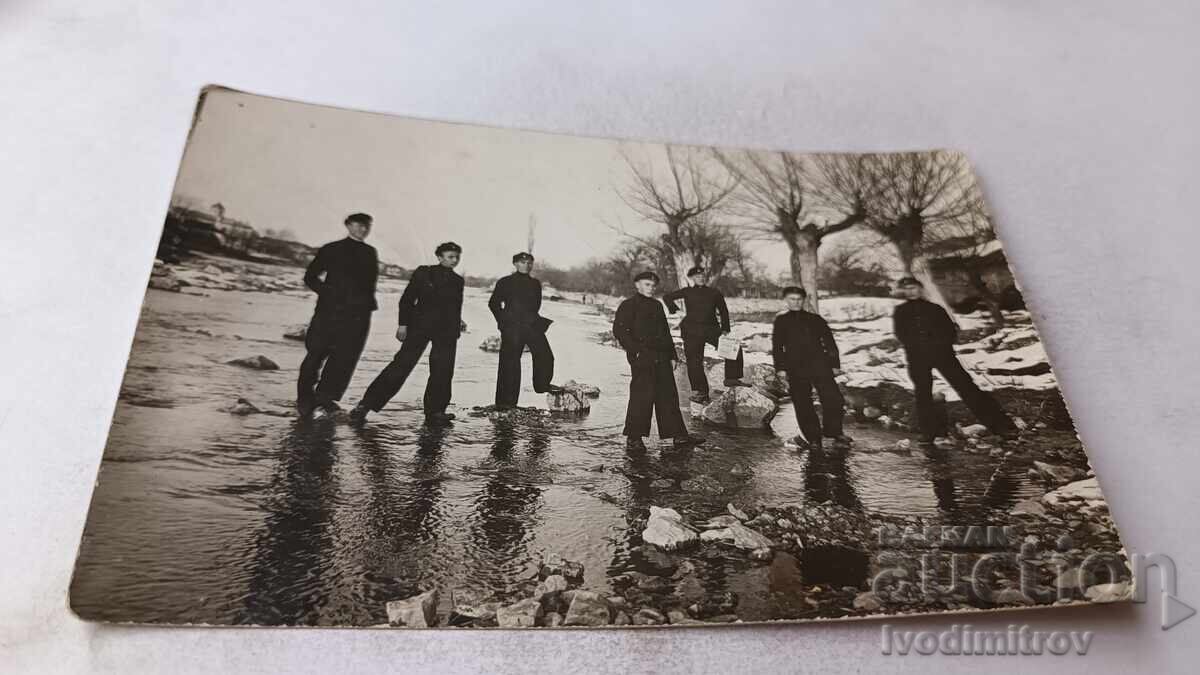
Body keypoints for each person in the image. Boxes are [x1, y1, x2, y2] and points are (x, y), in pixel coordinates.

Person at [351, 242, 467, 426]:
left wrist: (458, 323)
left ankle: (436, 411)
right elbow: (407, 299)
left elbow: (454, 307)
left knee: (443, 370)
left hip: (446, 331)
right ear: (439, 257)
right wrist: (402, 325)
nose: (455, 260)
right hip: (419, 327)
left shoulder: (458, 280)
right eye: (450, 256)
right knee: (401, 365)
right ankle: (364, 406)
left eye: (457, 257)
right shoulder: (424, 272)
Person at [892, 277, 1017, 444]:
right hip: (917, 358)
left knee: (967, 388)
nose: (910, 292)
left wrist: (937, 346)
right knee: (923, 395)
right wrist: (918, 347)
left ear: (920, 289)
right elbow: (901, 334)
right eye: (906, 289)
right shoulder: (901, 312)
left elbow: (950, 332)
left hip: (943, 355)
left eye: (913, 288)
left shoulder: (935, 309)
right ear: (903, 292)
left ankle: (1002, 427)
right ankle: (929, 434)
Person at [612, 271, 706, 451]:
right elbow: (620, 331)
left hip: (661, 356)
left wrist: (672, 355)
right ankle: (634, 438)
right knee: (642, 397)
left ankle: (678, 435)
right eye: (647, 284)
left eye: (653, 285)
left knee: (668, 395)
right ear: (637, 285)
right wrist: (636, 351)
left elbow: (665, 332)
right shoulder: (628, 305)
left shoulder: (657, 305)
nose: (651, 288)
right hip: (642, 357)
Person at [296, 212, 378, 417]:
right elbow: (310, 277)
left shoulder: (370, 252)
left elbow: (370, 284)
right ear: (348, 225)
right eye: (358, 225)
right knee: (316, 352)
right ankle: (305, 398)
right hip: (329, 310)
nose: (363, 229)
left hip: (358, 313)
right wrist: (328, 293)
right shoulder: (331, 249)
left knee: (345, 356)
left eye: (366, 226)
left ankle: (325, 398)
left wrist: (365, 305)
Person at [772, 286, 852, 450]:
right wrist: (780, 368)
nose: (796, 302)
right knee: (803, 403)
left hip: (819, 364)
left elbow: (830, 342)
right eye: (792, 299)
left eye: (799, 299)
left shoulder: (816, 319)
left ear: (804, 300)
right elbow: (777, 346)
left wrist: (835, 364)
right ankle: (813, 437)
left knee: (834, 399)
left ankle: (834, 431)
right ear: (786, 300)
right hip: (795, 367)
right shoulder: (781, 321)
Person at [488, 252, 563, 408]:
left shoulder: (535, 283)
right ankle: (505, 403)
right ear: (515, 264)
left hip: (532, 325)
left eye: (529, 263)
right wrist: (503, 322)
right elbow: (493, 304)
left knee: (545, 355)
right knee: (510, 364)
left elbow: (536, 305)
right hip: (512, 327)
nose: (526, 265)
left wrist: (532, 319)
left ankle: (542, 385)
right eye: (522, 262)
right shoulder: (505, 282)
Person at [663, 266, 745, 404]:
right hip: (691, 330)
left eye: (702, 276)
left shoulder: (714, 293)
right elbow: (667, 297)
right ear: (692, 278)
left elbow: (723, 311)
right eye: (697, 276)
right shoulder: (687, 291)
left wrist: (725, 329)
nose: (700, 278)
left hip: (711, 329)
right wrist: (676, 311)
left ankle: (731, 377)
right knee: (694, 362)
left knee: (735, 349)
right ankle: (701, 392)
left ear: (704, 278)